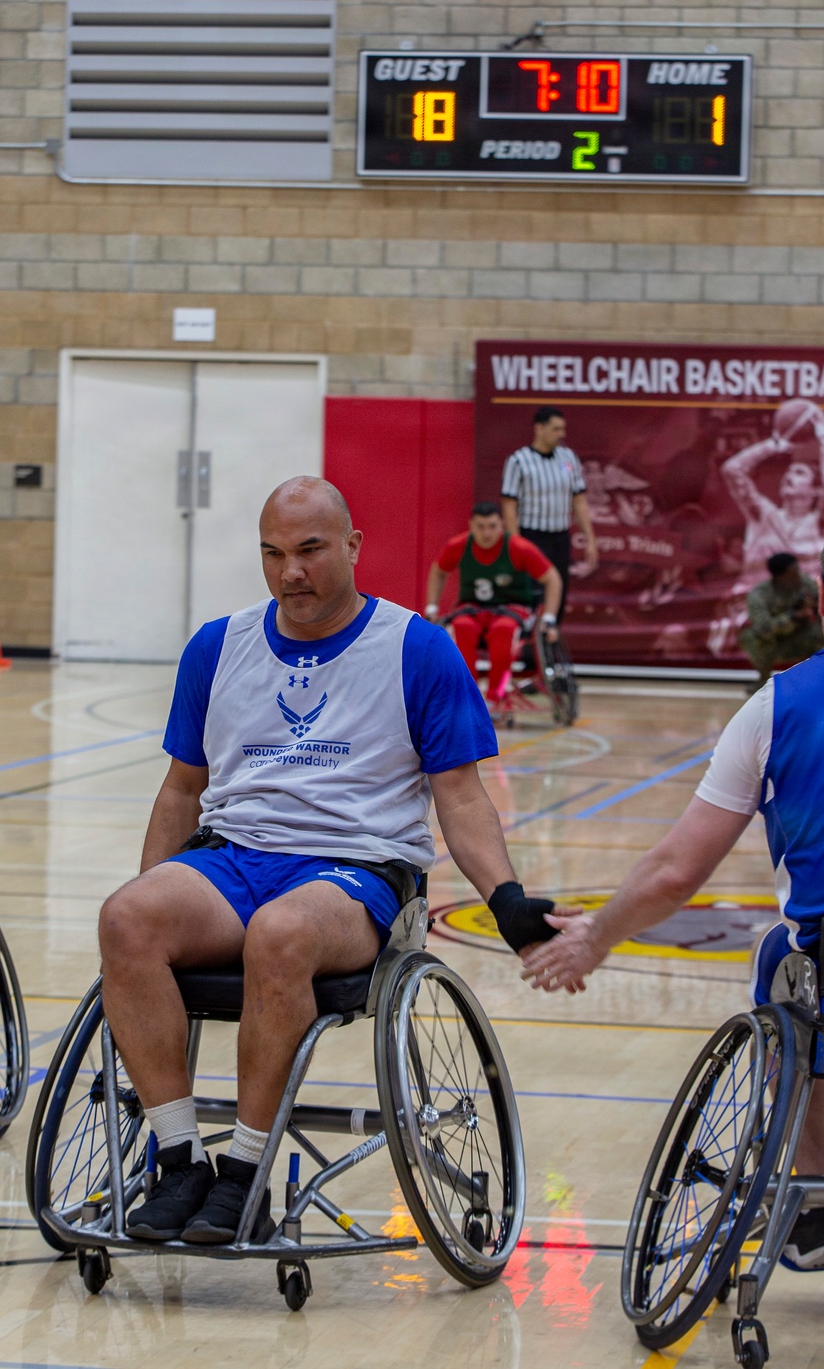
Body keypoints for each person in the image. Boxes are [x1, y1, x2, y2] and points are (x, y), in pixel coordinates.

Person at [521, 514, 824, 1271]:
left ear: (820, 600)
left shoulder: (778, 703)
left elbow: (679, 869)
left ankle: (811, 1194)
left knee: (787, 955)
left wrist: (594, 936)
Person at [101, 476, 559, 1246]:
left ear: (352, 546)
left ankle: (244, 1174)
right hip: (236, 858)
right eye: (273, 554)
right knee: (126, 918)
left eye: (311, 550)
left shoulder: (416, 647)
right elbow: (182, 790)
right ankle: (180, 1162)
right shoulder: (218, 646)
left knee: (280, 935)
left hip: (358, 868)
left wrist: (506, 895)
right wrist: (152, 890)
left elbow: (461, 795)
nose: (292, 573)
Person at [425, 502, 562, 709]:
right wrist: (431, 608)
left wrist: (549, 618)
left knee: (503, 630)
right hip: (473, 608)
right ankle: (467, 698)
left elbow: (552, 579)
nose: (486, 533)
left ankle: (494, 698)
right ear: (471, 525)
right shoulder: (459, 545)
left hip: (512, 609)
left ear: (502, 525)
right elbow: (438, 571)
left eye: (492, 526)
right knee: (461, 627)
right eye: (480, 526)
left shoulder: (518, 547)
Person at [721, 401, 824, 592]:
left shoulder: (821, 524)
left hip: (799, 614)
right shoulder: (763, 514)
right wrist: (772, 445)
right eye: (788, 472)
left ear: (815, 491)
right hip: (754, 612)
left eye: (799, 472)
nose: (789, 475)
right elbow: (732, 470)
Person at [500, 405, 598, 622]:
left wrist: (590, 539)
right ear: (539, 428)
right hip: (532, 536)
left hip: (560, 536)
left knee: (559, 591)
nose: (561, 434)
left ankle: (552, 640)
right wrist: (516, 543)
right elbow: (509, 505)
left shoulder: (568, 458)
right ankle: (529, 648)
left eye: (562, 429)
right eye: (556, 429)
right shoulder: (518, 460)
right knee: (534, 593)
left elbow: (579, 500)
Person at [739, 551, 824, 687]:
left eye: (798, 570)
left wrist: (816, 606)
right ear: (780, 576)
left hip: (802, 635)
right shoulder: (759, 595)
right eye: (793, 572)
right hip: (775, 643)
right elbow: (763, 629)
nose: (798, 575)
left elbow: (823, 610)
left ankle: (820, 679)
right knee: (750, 636)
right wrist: (793, 616)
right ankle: (763, 679)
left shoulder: (805, 583)